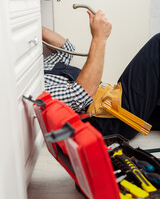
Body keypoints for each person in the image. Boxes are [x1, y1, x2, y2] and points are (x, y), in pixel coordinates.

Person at [42, 10, 160, 140]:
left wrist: (34, 29)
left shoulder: (43, 67)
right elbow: (80, 94)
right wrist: (99, 37)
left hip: (112, 102)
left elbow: (66, 48)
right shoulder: (37, 87)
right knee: (158, 43)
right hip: (110, 120)